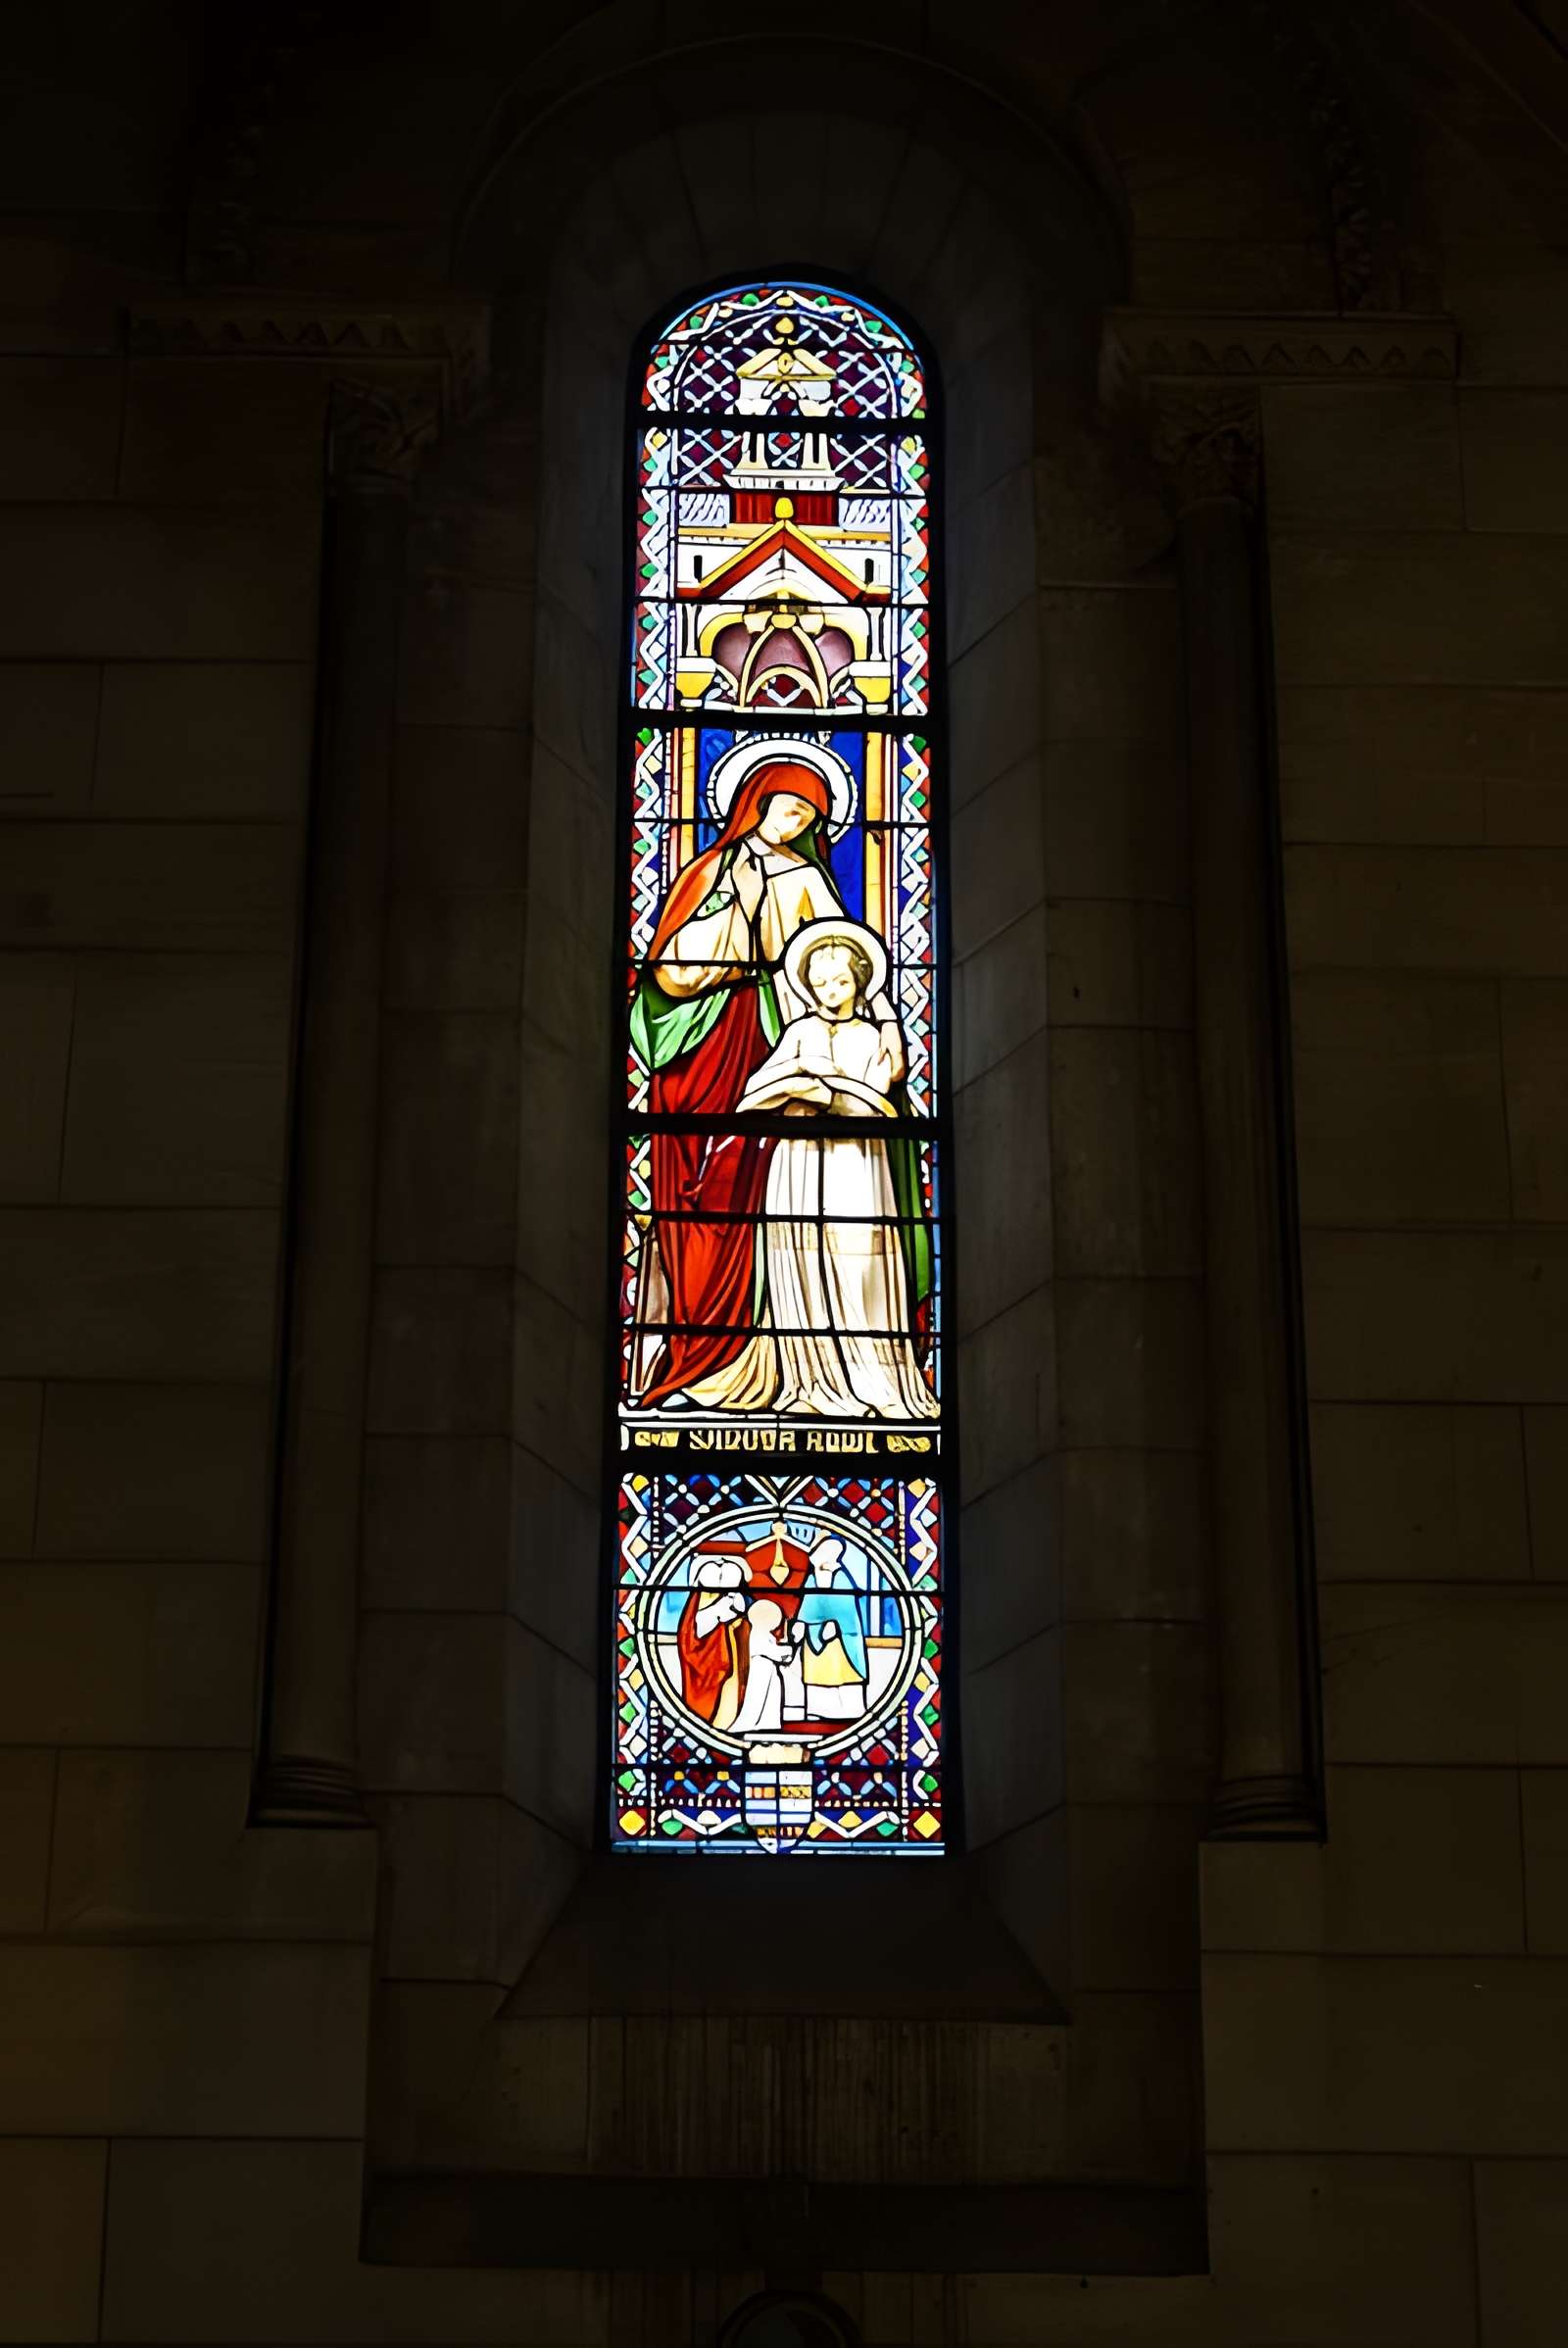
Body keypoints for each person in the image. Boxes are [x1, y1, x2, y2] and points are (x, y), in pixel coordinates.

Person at [627, 757, 902, 1412]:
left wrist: (882, 1024)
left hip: (773, 1041)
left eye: (807, 815)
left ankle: (770, 1351)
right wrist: (734, 917)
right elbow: (667, 976)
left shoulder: (806, 877)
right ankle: (693, 1354)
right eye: (787, 808)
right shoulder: (706, 874)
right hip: (701, 1055)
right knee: (698, 1195)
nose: (794, 822)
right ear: (753, 802)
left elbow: (845, 956)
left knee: (767, 1192)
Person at [734, 920, 939, 1422]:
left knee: (859, 1261)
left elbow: (876, 1103)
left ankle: (878, 1377)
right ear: (806, 985)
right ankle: (810, 1381)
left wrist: (820, 1090)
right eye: (821, 983)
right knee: (801, 1262)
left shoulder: (870, 1037)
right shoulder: (799, 1032)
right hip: (798, 1164)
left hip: (856, 1161)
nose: (831, 992)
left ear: (860, 982)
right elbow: (749, 1099)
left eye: (842, 981)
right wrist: (799, 1087)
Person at [792, 1537, 870, 1724]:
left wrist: (835, 1625)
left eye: (831, 1553)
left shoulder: (842, 1577)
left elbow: (847, 1607)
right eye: (822, 1552)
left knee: (843, 1671)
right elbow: (807, 1605)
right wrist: (800, 1623)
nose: (825, 1557)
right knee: (815, 1672)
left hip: (840, 1637)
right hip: (813, 1636)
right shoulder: (812, 1578)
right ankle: (817, 1710)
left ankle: (848, 1710)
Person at [675, 1552, 749, 1730]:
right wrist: (718, 1612)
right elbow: (690, 1637)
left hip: (730, 1664)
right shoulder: (695, 1606)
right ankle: (703, 1728)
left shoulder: (737, 1599)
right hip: (706, 1665)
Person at [729, 1598, 794, 1736]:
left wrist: (785, 1652)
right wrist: (787, 1651)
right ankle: (746, 1723)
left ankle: (768, 1723)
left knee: (772, 1694)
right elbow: (770, 1651)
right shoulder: (757, 1634)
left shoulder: (766, 1634)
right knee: (757, 1696)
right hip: (760, 1669)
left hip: (770, 1669)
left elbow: (775, 1651)